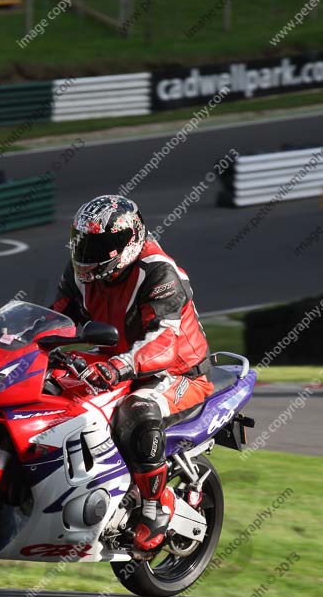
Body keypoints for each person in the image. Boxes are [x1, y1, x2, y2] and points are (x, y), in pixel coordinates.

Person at [51, 195, 214, 554]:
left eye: (100, 245)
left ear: (129, 240)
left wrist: (120, 365)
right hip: (115, 361)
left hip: (177, 372)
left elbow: (163, 342)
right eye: (83, 242)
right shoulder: (80, 274)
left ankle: (156, 509)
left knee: (137, 410)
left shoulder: (159, 273)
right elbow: (57, 319)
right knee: (52, 393)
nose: (88, 252)